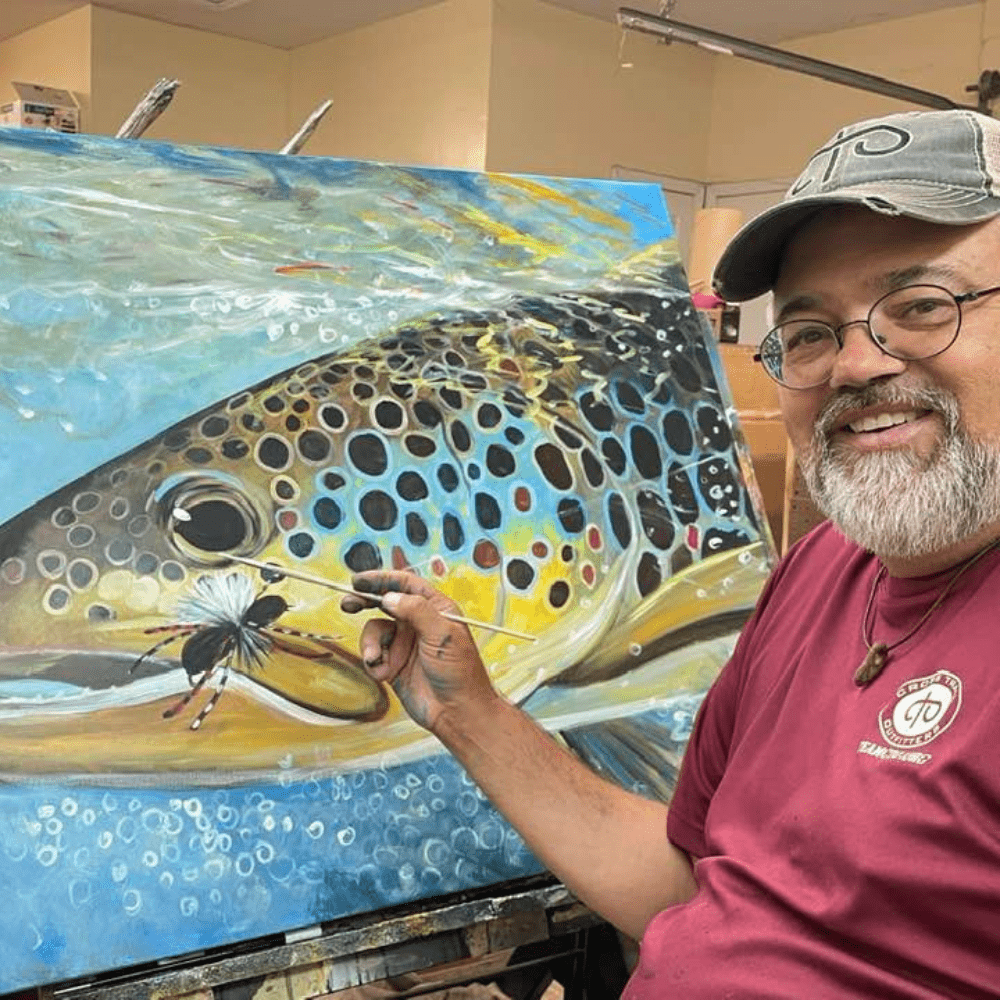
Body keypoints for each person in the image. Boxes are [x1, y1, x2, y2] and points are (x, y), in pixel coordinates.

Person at [341, 108, 1000, 998]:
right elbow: (694, 887)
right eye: (809, 332)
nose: (852, 366)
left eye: (921, 308)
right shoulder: (818, 570)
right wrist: (468, 713)